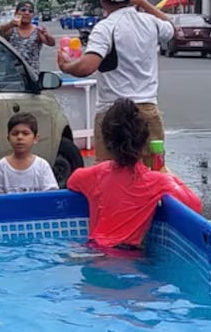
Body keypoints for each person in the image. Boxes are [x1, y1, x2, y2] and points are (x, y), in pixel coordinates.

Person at [57, 0, 173, 162]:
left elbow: (87, 67)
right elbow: (169, 27)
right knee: (153, 171)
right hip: (147, 110)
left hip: (112, 112)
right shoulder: (150, 22)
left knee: (110, 175)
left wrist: (66, 66)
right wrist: (142, 2)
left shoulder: (106, 27)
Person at [67, 98, 202, 250]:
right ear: (145, 142)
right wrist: (166, 172)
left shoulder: (95, 174)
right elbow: (194, 205)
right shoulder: (156, 181)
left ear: (106, 141)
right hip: (125, 256)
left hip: (93, 248)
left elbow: (72, 181)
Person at [0, 113, 59, 194]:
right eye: (15, 134)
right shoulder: (1, 167)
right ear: (8, 138)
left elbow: (51, 194)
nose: (20, 137)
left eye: (25, 133)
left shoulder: (42, 166)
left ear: (35, 138)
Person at [0, 0, 55, 71]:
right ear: (16, 13)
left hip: (31, 74)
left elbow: (51, 43)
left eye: (30, 11)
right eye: (23, 10)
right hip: (12, 73)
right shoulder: (11, 29)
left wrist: (46, 35)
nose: (27, 13)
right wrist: (10, 24)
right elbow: (1, 31)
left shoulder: (37, 31)